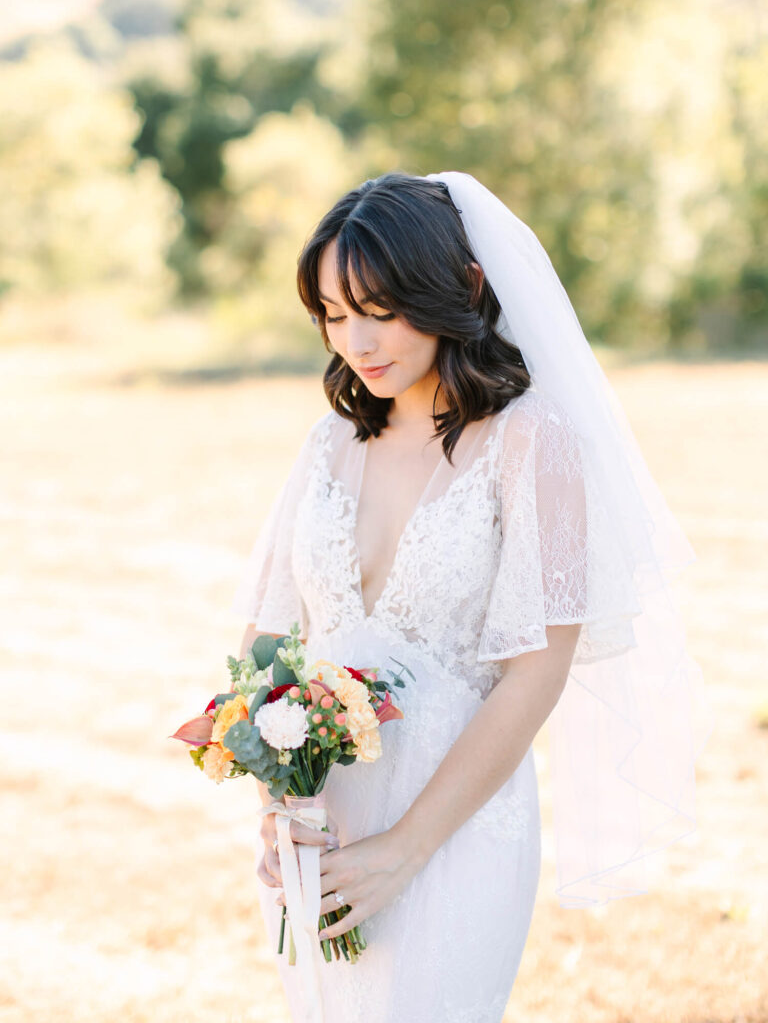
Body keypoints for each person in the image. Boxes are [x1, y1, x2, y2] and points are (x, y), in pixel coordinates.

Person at [230, 171, 710, 1023]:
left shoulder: (532, 444)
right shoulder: (330, 441)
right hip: (323, 839)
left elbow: (537, 672)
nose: (356, 341)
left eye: (378, 308)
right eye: (334, 314)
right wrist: (281, 812)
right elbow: (269, 642)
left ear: (462, 287)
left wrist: (404, 850)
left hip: (450, 831)